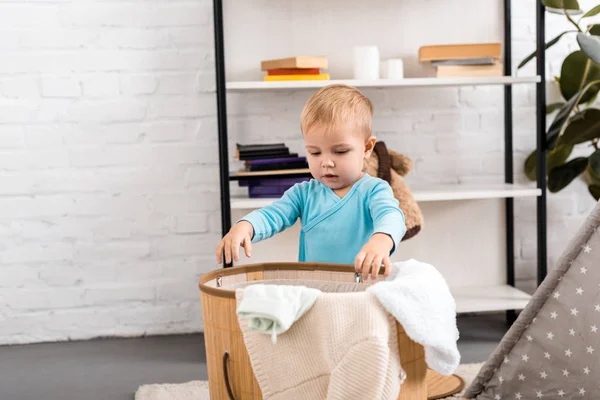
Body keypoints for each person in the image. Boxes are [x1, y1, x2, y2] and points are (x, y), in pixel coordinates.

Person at [215, 84, 406, 280]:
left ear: (367, 147)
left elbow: (391, 216)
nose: (326, 162)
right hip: (314, 290)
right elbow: (272, 215)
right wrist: (245, 226)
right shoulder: (303, 194)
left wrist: (382, 239)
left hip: (360, 291)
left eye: (340, 151)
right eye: (314, 152)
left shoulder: (374, 190)